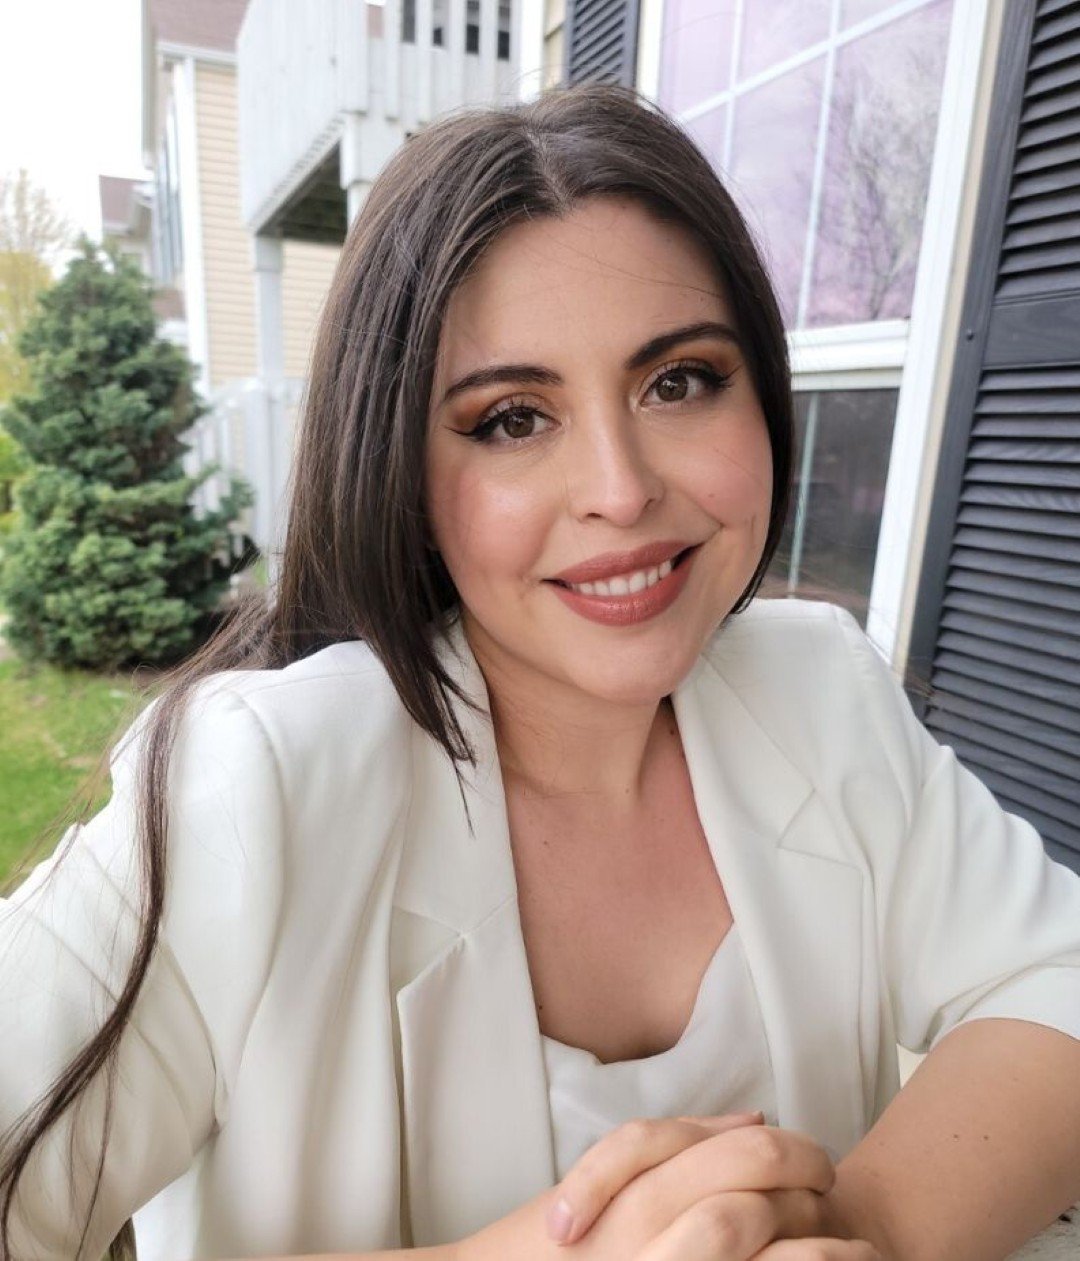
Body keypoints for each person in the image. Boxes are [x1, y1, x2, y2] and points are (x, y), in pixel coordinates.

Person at [2, 81, 1080, 1261]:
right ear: (403, 478)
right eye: (513, 417)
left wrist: (865, 1229)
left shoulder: (823, 691)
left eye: (680, 381)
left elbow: (1056, 980)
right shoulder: (239, 788)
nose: (620, 488)